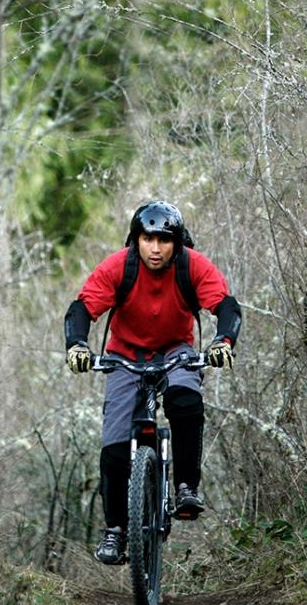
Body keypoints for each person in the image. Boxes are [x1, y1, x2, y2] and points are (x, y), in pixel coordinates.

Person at [63, 201, 241, 565]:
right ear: (136, 239)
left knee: (185, 401)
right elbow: (82, 308)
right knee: (114, 444)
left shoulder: (192, 265)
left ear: (176, 243)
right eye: (148, 239)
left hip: (176, 352)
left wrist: (223, 341)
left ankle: (186, 487)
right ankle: (115, 531)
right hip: (124, 356)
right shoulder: (119, 266)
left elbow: (225, 305)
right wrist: (77, 345)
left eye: (163, 240)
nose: (155, 249)